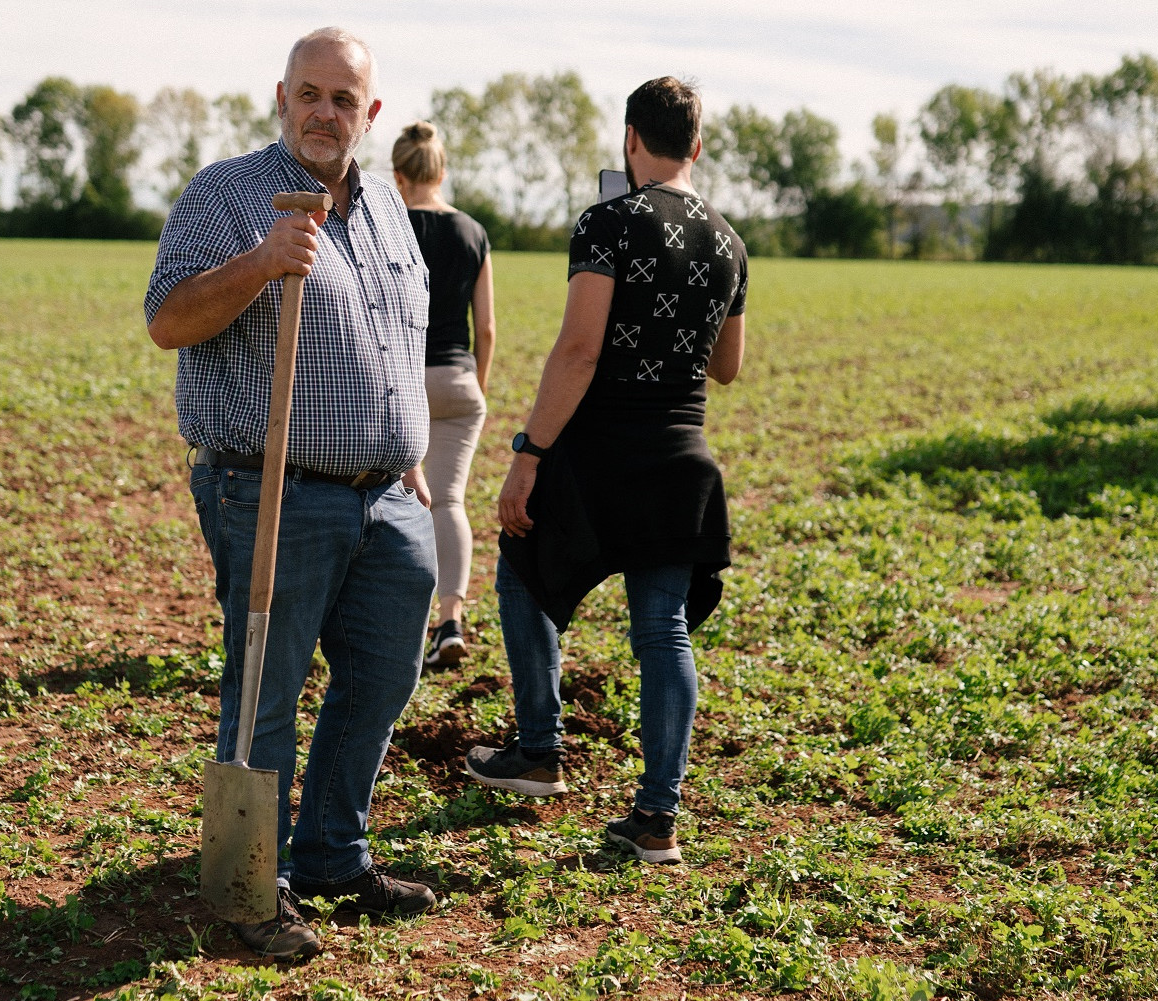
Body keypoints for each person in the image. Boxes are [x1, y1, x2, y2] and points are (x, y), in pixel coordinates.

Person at [145, 27, 439, 960]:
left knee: (383, 675)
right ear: (281, 96)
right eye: (309, 94)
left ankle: (331, 854)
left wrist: (412, 451)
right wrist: (263, 261)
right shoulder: (229, 194)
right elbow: (167, 320)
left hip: (388, 496)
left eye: (343, 100)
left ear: (371, 115)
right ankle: (249, 887)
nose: (324, 113)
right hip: (272, 489)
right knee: (266, 687)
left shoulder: (391, 207)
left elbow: (402, 338)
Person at [464, 77, 748, 866]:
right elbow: (727, 366)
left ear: (630, 139)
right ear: (695, 146)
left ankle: (539, 749)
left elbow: (580, 349)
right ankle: (657, 818)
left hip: (598, 458)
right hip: (680, 461)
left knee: (521, 567)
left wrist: (528, 453)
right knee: (661, 631)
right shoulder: (730, 241)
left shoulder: (608, 222)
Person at [390, 121, 496, 668]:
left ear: (398, 174)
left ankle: (393, 629)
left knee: (391, 507)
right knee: (449, 502)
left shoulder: (386, 228)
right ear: (442, 170)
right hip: (458, 381)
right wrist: (470, 391)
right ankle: (450, 620)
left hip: (398, 384)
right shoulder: (473, 232)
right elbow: (488, 331)